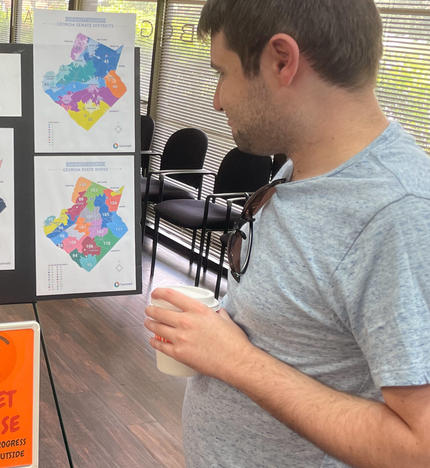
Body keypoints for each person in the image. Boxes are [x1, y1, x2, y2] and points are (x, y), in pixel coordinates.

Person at [144, 0, 430, 467]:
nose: (217, 99)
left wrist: (235, 361)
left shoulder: (400, 216)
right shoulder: (303, 167)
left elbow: (419, 448)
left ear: (282, 60)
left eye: (223, 72)